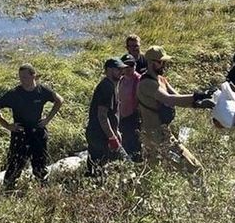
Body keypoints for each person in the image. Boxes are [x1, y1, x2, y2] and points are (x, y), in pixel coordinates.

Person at [136, 45, 214, 173]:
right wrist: (198, 95)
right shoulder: (146, 84)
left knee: (150, 172)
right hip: (156, 135)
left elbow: (178, 98)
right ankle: (202, 192)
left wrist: (200, 103)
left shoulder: (161, 80)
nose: (164, 65)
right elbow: (169, 99)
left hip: (162, 132)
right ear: (150, 62)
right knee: (194, 169)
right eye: (161, 62)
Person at [0, 64, 64, 191]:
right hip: (20, 133)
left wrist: (47, 119)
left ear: (33, 76)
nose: (22, 80)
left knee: (40, 166)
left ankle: (43, 192)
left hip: (38, 132)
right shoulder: (14, 93)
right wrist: (7, 125)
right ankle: (8, 191)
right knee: (14, 165)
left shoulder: (42, 90)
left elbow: (59, 100)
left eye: (25, 77)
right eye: (20, 77)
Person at [86, 58, 128, 174]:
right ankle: (95, 188)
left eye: (122, 69)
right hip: (99, 135)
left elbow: (111, 114)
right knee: (98, 168)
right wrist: (111, 137)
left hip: (102, 134)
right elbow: (102, 116)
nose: (122, 72)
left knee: (101, 166)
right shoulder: (106, 88)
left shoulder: (111, 85)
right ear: (109, 70)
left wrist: (115, 131)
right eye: (118, 69)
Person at [117, 53, 143, 161]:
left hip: (134, 119)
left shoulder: (139, 80)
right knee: (124, 146)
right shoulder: (121, 80)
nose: (128, 69)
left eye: (131, 65)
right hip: (122, 118)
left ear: (135, 66)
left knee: (135, 148)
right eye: (125, 66)